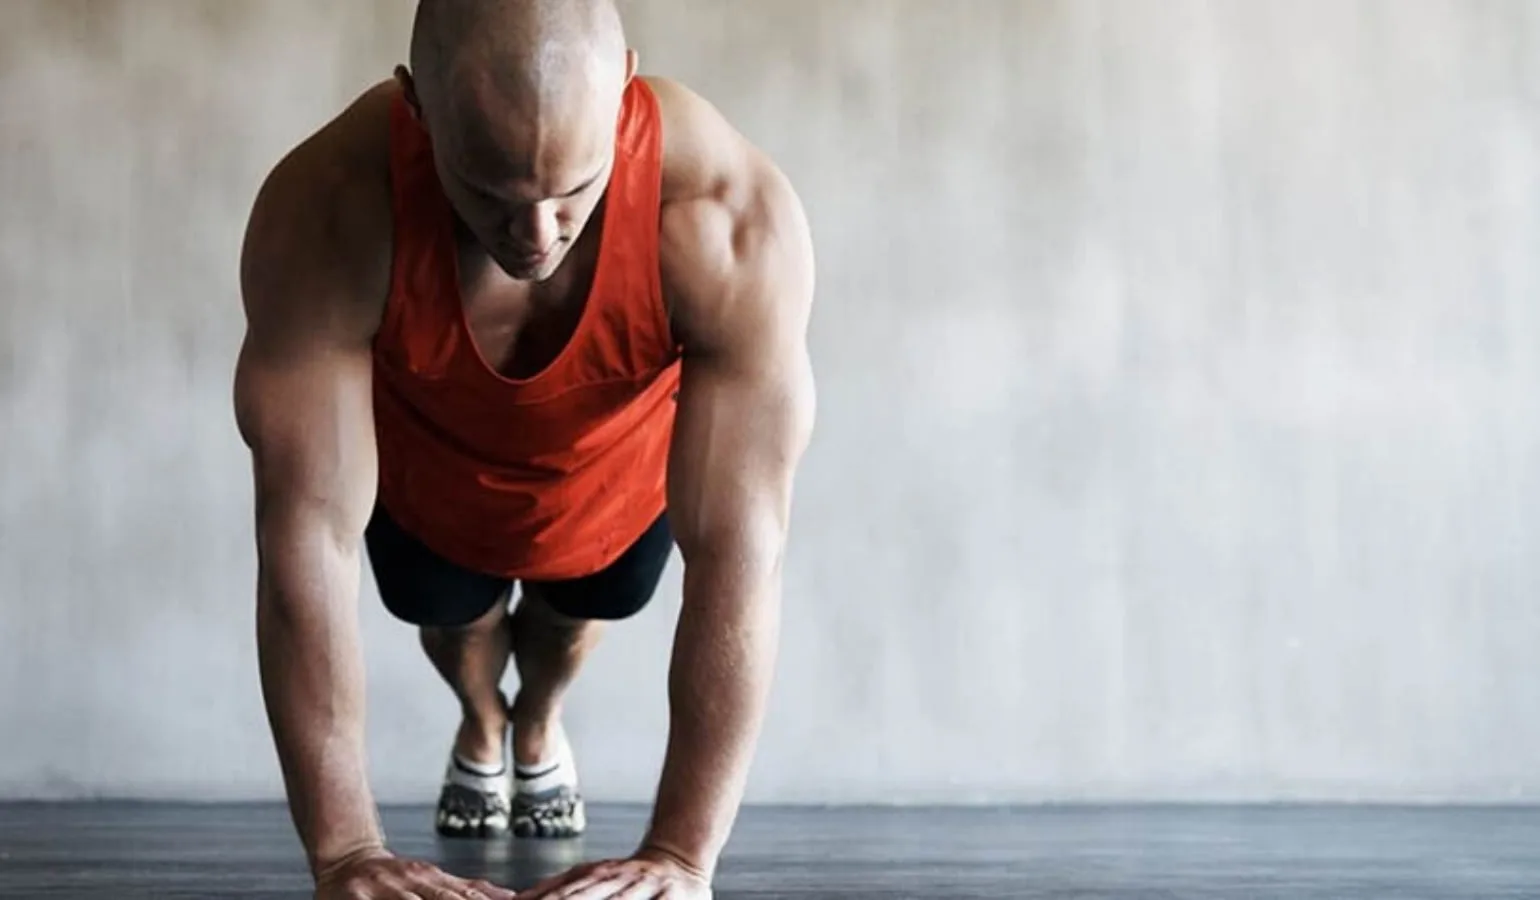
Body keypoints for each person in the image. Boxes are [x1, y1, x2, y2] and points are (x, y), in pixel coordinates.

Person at [232, 0, 816, 896]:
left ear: (623, 94)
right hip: (429, 485)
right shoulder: (332, 213)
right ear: (416, 110)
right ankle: (483, 722)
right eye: (492, 195)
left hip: (617, 487)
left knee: (573, 621)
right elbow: (304, 540)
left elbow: (745, 548)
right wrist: (346, 854)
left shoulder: (723, 215)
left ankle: (536, 720)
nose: (536, 236)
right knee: (455, 626)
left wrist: (682, 857)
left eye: (572, 192)